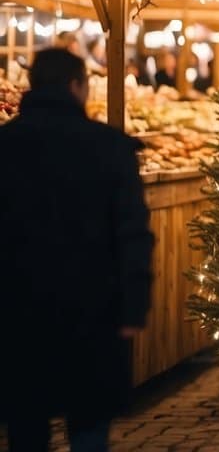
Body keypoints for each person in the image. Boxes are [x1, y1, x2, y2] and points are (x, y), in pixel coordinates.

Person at [1, 48, 154, 452]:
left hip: (17, 308)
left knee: (25, 425)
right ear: (77, 85)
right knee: (88, 423)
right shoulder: (110, 147)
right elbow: (132, 233)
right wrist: (134, 307)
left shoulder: (6, 145)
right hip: (93, 307)